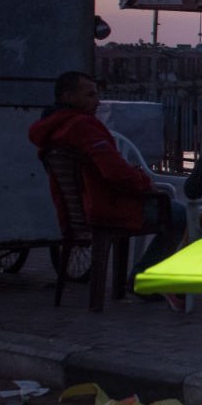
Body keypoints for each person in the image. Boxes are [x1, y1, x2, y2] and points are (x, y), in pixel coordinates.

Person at [26, 72, 186, 280]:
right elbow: (115, 172)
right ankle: (143, 277)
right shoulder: (83, 126)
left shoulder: (52, 132)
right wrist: (145, 183)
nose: (98, 101)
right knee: (181, 215)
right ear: (67, 97)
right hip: (107, 206)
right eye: (90, 95)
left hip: (80, 209)